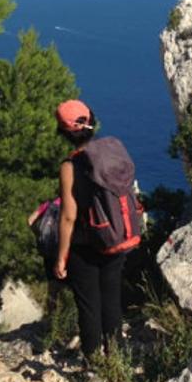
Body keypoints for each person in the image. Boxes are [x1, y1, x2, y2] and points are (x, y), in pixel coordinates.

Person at [53, 99, 128, 360]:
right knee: (111, 301)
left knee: (89, 306)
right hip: (116, 237)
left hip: (85, 245)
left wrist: (61, 255)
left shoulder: (70, 166)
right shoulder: (113, 150)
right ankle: (117, 360)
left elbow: (68, 217)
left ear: (64, 131)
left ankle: (94, 362)